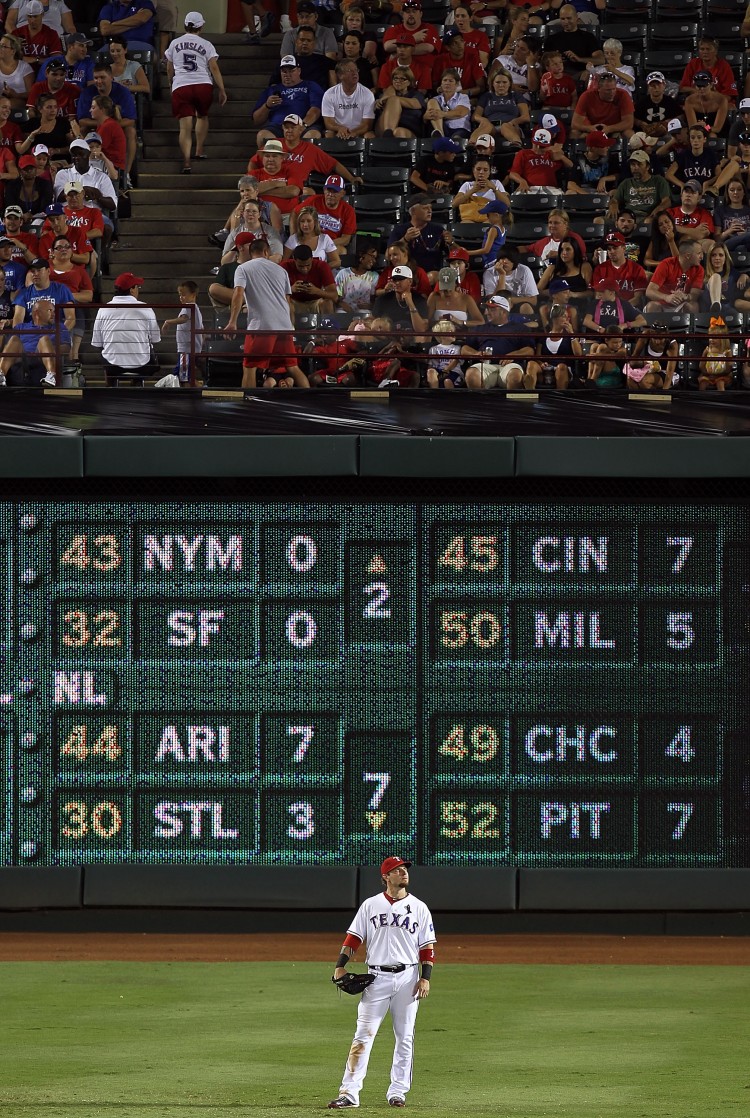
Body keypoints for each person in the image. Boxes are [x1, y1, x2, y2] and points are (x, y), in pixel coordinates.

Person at [327, 856, 435, 1110]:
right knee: (363, 1035)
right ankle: (349, 1094)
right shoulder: (370, 905)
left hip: (408, 979)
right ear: (386, 877)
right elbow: (353, 939)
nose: (403, 873)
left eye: (404, 869)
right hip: (376, 979)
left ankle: (398, 1092)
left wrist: (425, 978)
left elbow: (427, 947)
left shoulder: (419, 907)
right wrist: (339, 965)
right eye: (397, 871)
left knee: (405, 1037)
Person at [224, 237, 309, 390]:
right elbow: (288, 302)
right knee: (292, 367)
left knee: (249, 368)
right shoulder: (281, 270)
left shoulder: (243, 268)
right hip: (284, 326)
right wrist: (291, 326)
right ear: (266, 251)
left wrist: (232, 322)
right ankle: (311, 401)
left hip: (262, 326)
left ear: (251, 253)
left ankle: (248, 406)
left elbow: (238, 293)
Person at [164, 12, 227, 175]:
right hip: (202, 84)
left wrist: (171, 84)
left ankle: (186, 160)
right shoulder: (206, 44)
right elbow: (214, 68)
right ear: (201, 26)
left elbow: (169, 67)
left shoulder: (174, 43)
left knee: (184, 128)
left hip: (181, 85)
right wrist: (221, 88)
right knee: (202, 116)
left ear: (185, 25)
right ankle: (198, 149)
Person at [91, 270, 161, 384]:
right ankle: (138, 382)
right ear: (132, 289)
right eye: (137, 287)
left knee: (105, 350)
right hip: (142, 365)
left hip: (112, 365)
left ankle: (110, 384)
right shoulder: (146, 308)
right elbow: (155, 339)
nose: (138, 290)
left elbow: (97, 343)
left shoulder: (103, 309)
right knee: (149, 347)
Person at [462, 294, 534, 391]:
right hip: (485, 365)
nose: (487, 313)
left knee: (515, 376)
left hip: (509, 366)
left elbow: (529, 350)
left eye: (492, 309)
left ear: (503, 311)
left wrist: (514, 355)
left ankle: (513, 405)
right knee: (471, 374)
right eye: (487, 309)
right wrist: (476, 353)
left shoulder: (520, 328)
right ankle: (479, 405)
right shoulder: (480, 328)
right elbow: (464, 349)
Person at [252, 55, 323, 147]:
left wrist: (303, 125)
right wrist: (267, 106)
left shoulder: (310, 85)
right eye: (284, 71)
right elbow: (256, 120)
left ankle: (302, 161)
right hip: (278, 126)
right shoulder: (272, 90)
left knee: (313, 135)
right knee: (263, 136)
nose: (287, 74)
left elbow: (316, 110)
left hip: (304, 125)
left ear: (299, 71)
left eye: (291, 71)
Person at [0, 294, 70, 385]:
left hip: (43, 358)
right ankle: (1, 374)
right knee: (14, 339)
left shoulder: (59, 326)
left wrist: (49, 350)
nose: (54, 314)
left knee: (44, 339)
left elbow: (66, 348)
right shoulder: (21, 327)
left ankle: (52, 376)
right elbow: (9, 347)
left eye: (54, 311)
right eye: (50, 310)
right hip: (22, 358)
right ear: (37, 313)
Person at [525, 301, 583, 389]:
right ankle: (530, 393)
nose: (567, 320)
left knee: (561, 367)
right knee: (531, 364)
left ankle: (560, 395)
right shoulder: (544, 337)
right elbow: (538, 357)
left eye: (567, 317)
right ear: (555, 318)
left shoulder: (570, 337)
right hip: (547, 368)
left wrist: (571, 334)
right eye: (564, 316)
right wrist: (541, 364)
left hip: (564, 369)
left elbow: (578, 354)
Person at [293, 173, 356, 251]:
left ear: (342, 193)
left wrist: (326, 244)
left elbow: (346, 239)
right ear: (324, 190)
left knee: (342, 251)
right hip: (309, 240)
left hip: (330, 244)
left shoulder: (348, 210)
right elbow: (294, 213)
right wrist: (294, 236)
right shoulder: (314, 200)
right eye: (328, 190)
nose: (330, 194)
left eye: (335, 191)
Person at [608, 149, 671, 224]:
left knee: (648, 222)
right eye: (633, 164)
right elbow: (615, 199)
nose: (635, 168)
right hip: (628, 217)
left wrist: (660, 208)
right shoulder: (626, 183)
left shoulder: (658, 180)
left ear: (647, 166)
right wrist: (613, 204)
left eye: (639, 164)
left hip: (647, 216)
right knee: (599, 221)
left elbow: (667, 201)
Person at [470, 69, 530, 148]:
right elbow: (475, 116)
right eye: (498, 82)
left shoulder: (516, 96)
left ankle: (516, 145)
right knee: (486, 125)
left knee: (505, 126)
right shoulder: (486, 96)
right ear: (493, 84)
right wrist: (483, 120)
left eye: (504, 82)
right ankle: (471, 145)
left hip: (510, 126)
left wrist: (512, 122)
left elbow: (526, 117)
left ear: (509, 84)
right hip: (491, 126)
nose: (501, 85)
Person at [644, 239, 705, 314]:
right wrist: (666, 297)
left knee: (693, 305)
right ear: (688, 256)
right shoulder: (666, 264)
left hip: (682, 305)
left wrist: (686, 296)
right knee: (652, 306)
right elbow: (649, 291)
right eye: (699, 253)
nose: (702, 257)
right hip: (662, 304)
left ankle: (691, 326)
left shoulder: (699, 269)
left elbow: (695, 295)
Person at [162, 278, 203, 386]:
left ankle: (198, 390)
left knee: (184, 375)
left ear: (193, 295)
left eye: (184, 294)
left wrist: (168, 322)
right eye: (179, 294)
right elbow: (201, 328)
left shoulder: (188, 307)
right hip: (191, 347)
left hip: (187, 348)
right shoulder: (196, 308)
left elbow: (183, 319)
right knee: (185, 374)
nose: (181, 297)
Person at [542, 5, 603, 76]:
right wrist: (556, 60)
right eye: (563, 19)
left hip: (580, 74)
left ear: (577, 18)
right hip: (558, 75)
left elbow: (601, 60)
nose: (566, 22)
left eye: (569, 18)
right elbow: (544, 62)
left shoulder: (588, 37)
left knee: (586, 74)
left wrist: (579, 59)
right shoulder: (552, 39)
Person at [507, 126, 571, 195]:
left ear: (549, 146)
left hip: (550, 188)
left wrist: (562, 157)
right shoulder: (523, 153)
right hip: (530, 188)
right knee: (517, 198)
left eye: (542, 147)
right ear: (532, 142)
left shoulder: (551, 154)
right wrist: (522, 181)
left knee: (561, 199)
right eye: (537, 145)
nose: (538, 148)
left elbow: (571, 165)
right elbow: (512, 174)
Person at [571, 71, 634, 139]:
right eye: (608, 90)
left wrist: (609, 129)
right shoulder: (587, 96)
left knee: (629, 133)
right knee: (574, 133)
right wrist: (589, 128)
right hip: (592, 129)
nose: (612, 93)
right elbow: (575, 124)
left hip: (615, 129)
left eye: (614, 89)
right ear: (599, 89)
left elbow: (629, 123)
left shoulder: (623, 95)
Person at [283, 242, 338, 319]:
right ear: (294, 260)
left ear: (312, 258)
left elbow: (334, 296)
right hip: (294, 302)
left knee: (327, 303)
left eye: (308, 265)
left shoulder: (322, 266)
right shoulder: (284, 267)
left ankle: (327, 329)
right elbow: (275, 293)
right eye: (300, 266)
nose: (305, 269)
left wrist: (316, 291)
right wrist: (290, 290)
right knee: (287, 304)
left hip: (315, 302)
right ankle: (290, 330)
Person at [322, 60, 376, 139]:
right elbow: (328, 122)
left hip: (359, 131)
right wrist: (340, 129)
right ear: (340, 75)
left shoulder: (367, 94)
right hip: (338, 130)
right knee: (328, 135)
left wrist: (353, 132)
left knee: (370, 136)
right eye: (350, 71)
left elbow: (367, 124)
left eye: (356, 70)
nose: (355, 73)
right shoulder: (329, 94)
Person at [432, 28, 486, 101]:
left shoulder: (473, 58)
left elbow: (481, 87)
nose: (460, 45)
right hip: (446, 98)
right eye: (455, 43)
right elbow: (434, 86)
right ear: (448, 47)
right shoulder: (440, 60)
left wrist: (463, 93)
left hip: (468, 98)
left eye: (461, 41)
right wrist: (440, 90)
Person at [374, 65, 426, 140]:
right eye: (395, 78)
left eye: (402, 79)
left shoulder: (416, 95)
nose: (398, 81)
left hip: (409, 130)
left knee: (399, 132)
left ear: (409, 82)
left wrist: (395, 99)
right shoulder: (385, 95)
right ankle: (388, 134)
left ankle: (389, 138)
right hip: (382, 129)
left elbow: (416, 104)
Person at [424, 68, 471, 139]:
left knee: (456, 138)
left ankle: (442, 140)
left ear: (457, 84)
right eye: (444, 80)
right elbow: (430, 116)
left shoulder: (463, 97)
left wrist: (442, 114)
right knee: (432, 102)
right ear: (441, 83)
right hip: (443, 128)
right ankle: (441, 136)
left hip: (460, 129)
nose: (447, 83)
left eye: (450, 81)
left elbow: (460, 112)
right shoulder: (436, 99)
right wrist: (425, 117)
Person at [335, 242, 380, 316]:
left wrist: (370, 306)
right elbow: (336, 296)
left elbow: (374, 300)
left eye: (375, 258)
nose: (374, 260)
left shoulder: (374, 276)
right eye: (372, 256)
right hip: (344, 309)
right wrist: (343, 304)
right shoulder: (343, 273)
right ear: (361, 254)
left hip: (364, 311)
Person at [634, 71, 680, 140]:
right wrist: (642, 124)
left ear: (664, 85)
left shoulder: (670, 101)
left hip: (667, 133)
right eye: (652, 85)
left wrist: (667, 122)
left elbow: (680, 116)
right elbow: (633, 118)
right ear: (648, 87)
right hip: (646, 135)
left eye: (658, 84)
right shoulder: (642, 102)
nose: (656, 87)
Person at [16, 2, 62, 69]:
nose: (32, 20)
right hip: (20, 72)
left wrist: (35, 60)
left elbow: (56, 61)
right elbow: (7, 56)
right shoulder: (17, 33)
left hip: (43, 72)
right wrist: (15, 48)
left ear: (42, 14)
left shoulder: (52, 34)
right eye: (30, 16)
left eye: (35, 16)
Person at [426, 316, 465, 388]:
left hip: (453, 371)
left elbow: (455, 361)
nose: (453, 333)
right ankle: (434, 394)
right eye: (450, 331)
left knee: (447, 381)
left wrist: (446, 371)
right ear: (441, 335)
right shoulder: (433, 349)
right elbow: (431, 365)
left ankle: (450, 398)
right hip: (439, 371)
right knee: (430, 371)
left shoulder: (457, 348)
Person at [698, 315, 734, 391]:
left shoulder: (727, 352)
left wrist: (719, 375)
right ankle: (701, 399)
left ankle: (721, 399)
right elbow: (701, 365)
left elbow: (728, 369)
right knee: (703, 383)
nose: (711, 340)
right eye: (710, 337)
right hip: (708, 375)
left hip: (723, 376)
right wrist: (707, 374)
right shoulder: (707, 350)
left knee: (720, 382)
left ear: (723, 338)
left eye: (715, 337)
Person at [0, 32, 34, 108]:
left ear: (13, 51)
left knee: (5, 105)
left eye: (4, 46)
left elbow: (31, 93)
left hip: (19, 101)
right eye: (0, 45)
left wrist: (16, 94)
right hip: (1, 101)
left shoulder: (24, 67)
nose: (0, 48)